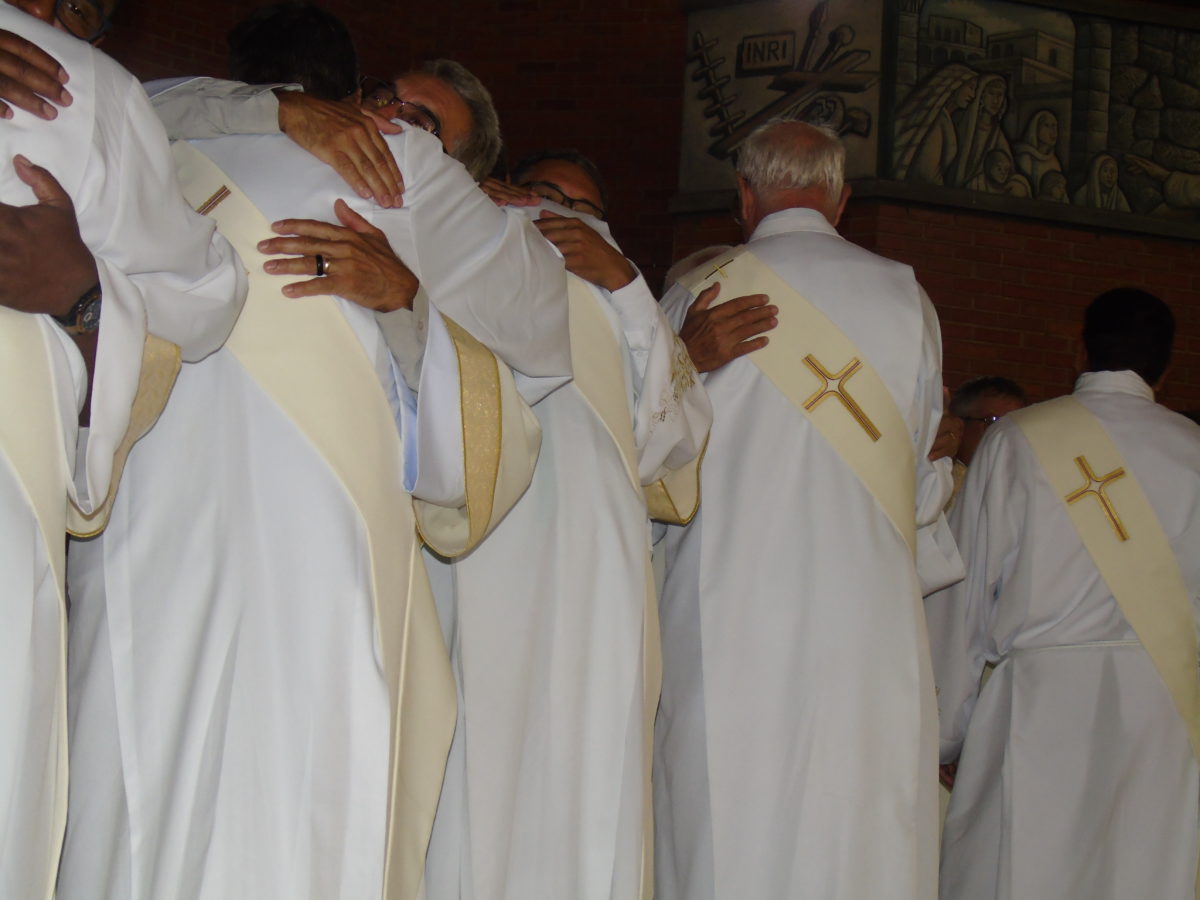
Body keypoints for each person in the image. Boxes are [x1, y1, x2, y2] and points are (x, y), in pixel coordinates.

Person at [57, 7, 565, 899]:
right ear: (352, 94)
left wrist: (263, 114)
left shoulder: (146, 133)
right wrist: (416, 297)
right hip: (312, 507)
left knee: (144, 740)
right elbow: (541, 326)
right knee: (303, 762)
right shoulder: (397, 161)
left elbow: (115, 97)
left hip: (154, 487)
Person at [655, 119, 956, 900]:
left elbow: (644, 453)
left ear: (743, 195)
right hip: (865, 618)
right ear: (841, 198)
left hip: (727, 606)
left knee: (726, 818)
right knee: (857, 823)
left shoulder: (696, 294)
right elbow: (921, 474)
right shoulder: (908, 297)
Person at [0, 3, 245, 898]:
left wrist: (84, 291)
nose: (45, 20)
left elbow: (202, 295)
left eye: (76, 11)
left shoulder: (81, 91)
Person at [425, 138, 709, 899]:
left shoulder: (620, 295)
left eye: (586, 208)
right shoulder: (481, 251)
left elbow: (675, 439)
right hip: (491, 538)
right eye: (546, 195)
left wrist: (626, 285)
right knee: (485, 741)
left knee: (593, 745)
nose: (565, 216)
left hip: (597, 555)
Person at [925, 287, 1200, 899]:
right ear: (1168, 365)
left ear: (1079, 349)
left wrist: (943, 728)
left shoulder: (1018, 438)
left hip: (1039, 705)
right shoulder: (1194, 451)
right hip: (1160, 711)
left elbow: (966, 589)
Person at [951, 73, 1011, 191]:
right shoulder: (961, 122)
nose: (996, 101)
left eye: (1000, 95)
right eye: (991, 93)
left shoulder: (997, 133)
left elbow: (1008, 168)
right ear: (981, 96)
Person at [950, 375, 1027, 468]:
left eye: (1016, 427)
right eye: (994, 423)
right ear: (958, 428)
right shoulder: (939, 475)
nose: (1009, 438)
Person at [1013, 109, 1062, 199]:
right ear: (1035, 128)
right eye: (1047, 125)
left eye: (1054, 126)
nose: (1053, 131)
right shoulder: (1026, 157)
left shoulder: (1054, 161)